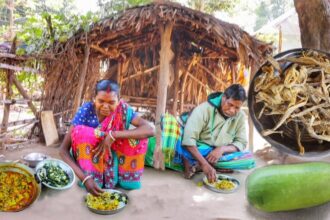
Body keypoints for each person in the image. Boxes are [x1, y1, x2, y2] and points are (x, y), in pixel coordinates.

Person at [59, 79, 155, 195]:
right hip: (90, 161)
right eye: (101, 101)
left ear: (119, 101)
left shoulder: (123, 110)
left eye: (111, 102)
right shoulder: (86, 111)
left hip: (114, 155)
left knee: (138, 136)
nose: (105, 106)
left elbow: (150, 130)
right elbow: (63, 150)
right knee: (82, 132)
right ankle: (94, 177)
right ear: (94, 99)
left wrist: (113, 135)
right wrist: (85, 179)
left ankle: (124, 178)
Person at [180, 84, 247, 182]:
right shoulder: (203, 109)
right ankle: (203, 163)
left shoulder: (240, 116)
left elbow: (241, 142)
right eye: (230, 104)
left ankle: (197, 165)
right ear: (223, 97)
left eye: (237, 108)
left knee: (246, 159)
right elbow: (188, 140)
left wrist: (222, 149)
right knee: (181, 148)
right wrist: (205, 164)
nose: (232, 110)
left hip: (218, 153)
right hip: (199, 148)